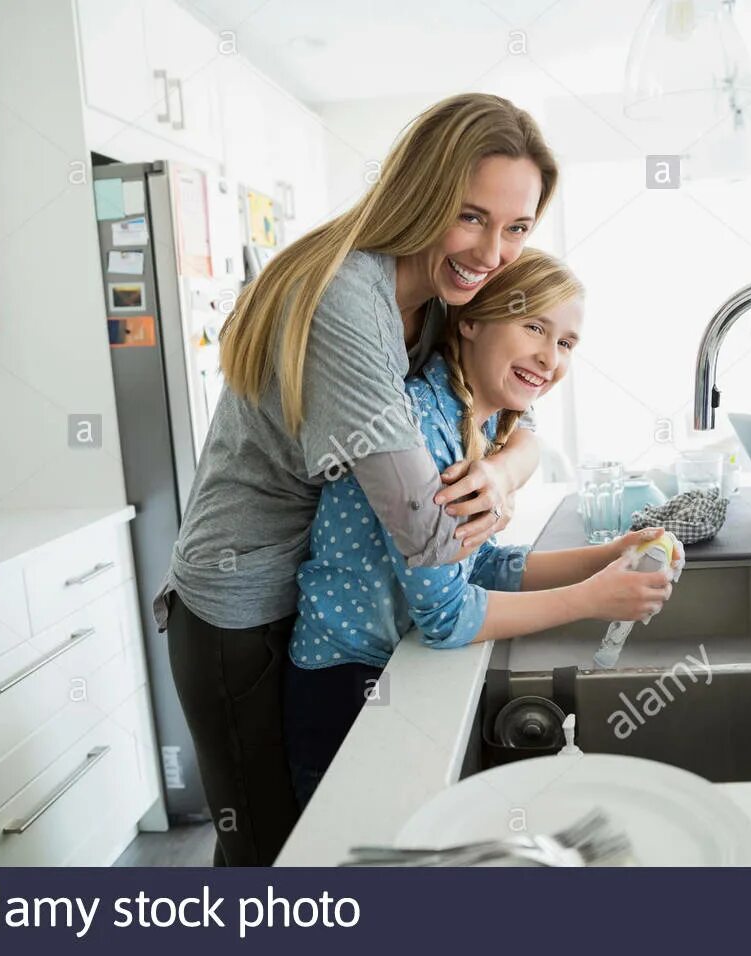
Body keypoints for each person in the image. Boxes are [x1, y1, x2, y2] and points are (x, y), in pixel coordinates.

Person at [157, 94, 558, 865]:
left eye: (517, 228)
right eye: (471, 216)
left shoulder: (441, 300)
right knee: (270, 857)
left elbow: (517, 414)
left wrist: (504, 472)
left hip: (320, 597)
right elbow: (427, 530)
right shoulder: (350, 298)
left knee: (318, 844)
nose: (492, 253)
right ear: (420, 192)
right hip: (238, 616)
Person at [284, 249, 682, 807]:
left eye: (566, 343)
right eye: (534, 327)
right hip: (345, 688)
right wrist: (594, 599)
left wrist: (606, 556)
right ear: (469, 320)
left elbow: (484, 565)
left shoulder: (479, 415)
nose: (550, 357)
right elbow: (447, 617)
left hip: (395, 666)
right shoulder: (423, 423)